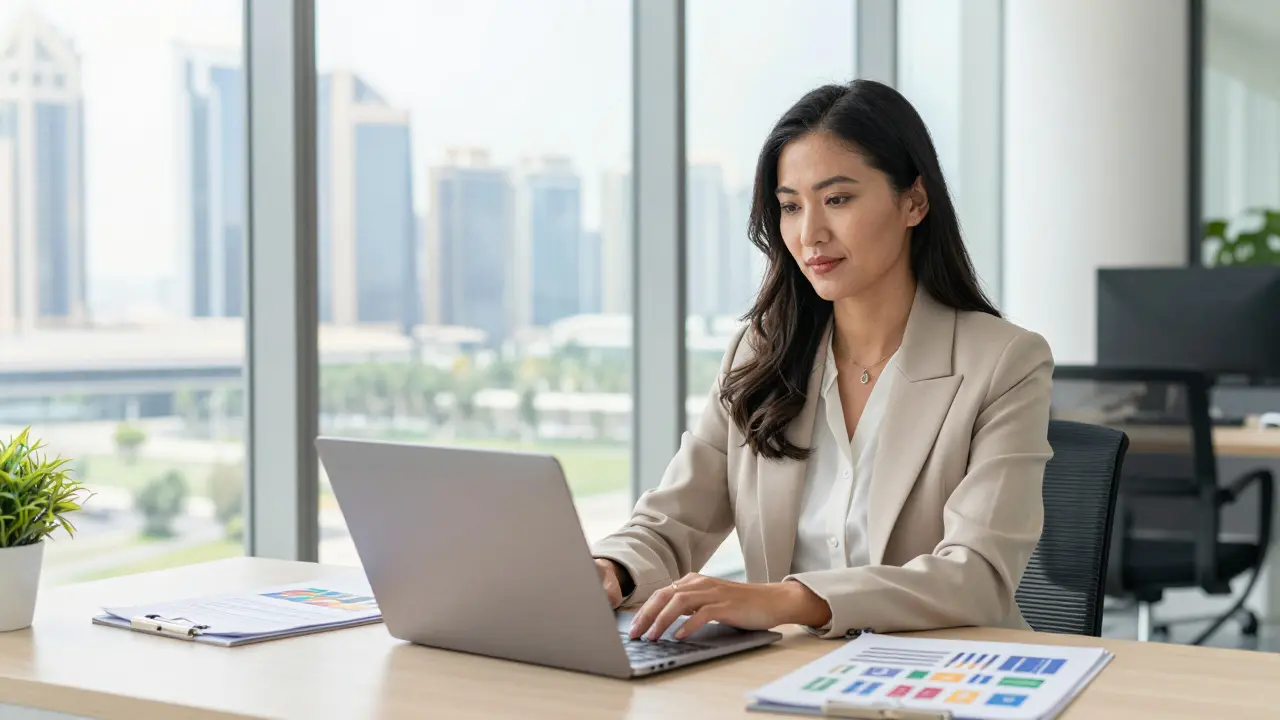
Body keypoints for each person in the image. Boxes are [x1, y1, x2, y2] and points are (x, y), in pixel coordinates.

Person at [591, 79, 1054, 643]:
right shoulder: (758, 354)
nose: (810, 233)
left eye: (837, 199)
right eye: (790, 206)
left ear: (913, 201)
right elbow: (673, 521)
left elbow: (976, 576)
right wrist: (611, 570)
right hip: (784, 677)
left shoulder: (1004, 362)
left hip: (943, 675)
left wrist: (791, 599)